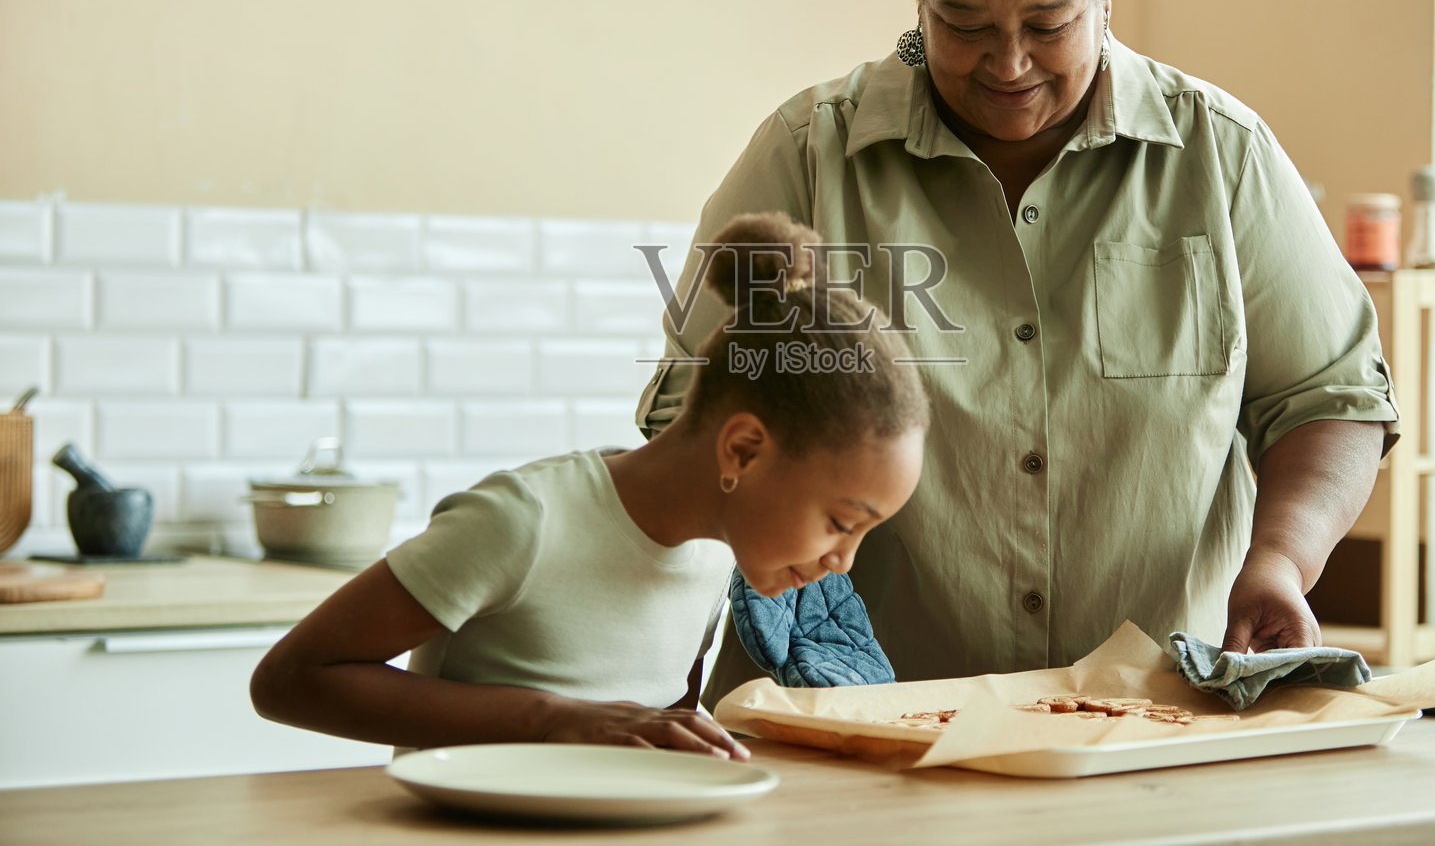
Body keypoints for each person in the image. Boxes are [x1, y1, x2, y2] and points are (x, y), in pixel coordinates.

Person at [636, 0, 1400, 710]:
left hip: (1150, 724)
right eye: (962, 24)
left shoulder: (1221, 157)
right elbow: (691, 417)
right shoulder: (808, 156)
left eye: (1048, 25)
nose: (1007, 64)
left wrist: (1281, 558)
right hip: (852, 723)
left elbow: (1331, 397)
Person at [252, 212, 929, 758]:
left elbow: (650, 731)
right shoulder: (524, 521)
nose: (844, 561)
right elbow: (289, 680)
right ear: (744, 449)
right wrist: (549, 718)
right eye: (843, 522)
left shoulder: (720, 551)